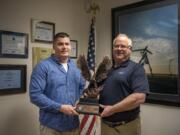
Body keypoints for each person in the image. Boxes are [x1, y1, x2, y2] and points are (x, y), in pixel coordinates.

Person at [29, 32, 85, 135]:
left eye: (67, 44)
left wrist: (80, 100)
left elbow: (82, 87)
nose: (64, 47)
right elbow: (35, 95)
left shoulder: (76, 67)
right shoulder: (43, 67)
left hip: (73, 124)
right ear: (54, 46)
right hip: (51, 126)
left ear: (70, 46)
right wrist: (60, 107)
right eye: (60, 44)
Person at [99, 34, 149, 135]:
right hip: (105, 125)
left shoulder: (136, 69)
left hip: (126, 127)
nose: (119, 48)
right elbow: (99, 91)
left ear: (130, 49)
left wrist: (112, 110)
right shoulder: (107, 70)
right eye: (116, 46)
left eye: (123, 46)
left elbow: (139, 97)